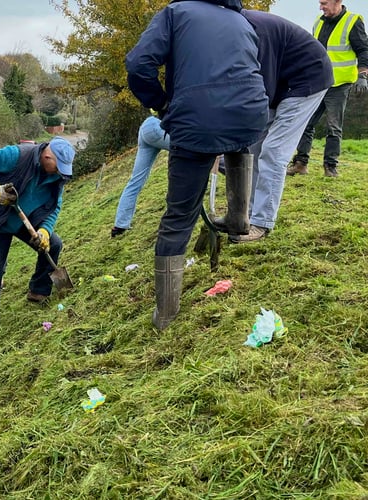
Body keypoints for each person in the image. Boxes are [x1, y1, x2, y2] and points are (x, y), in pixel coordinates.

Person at [125, 0, 268, 330]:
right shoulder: (241, 20)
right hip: (250, 113)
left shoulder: (176, 14)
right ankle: (239, 219)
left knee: (178, 216)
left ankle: (165, 314)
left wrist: (161, 103)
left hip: (197, 120)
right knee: (237, 137)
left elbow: (138, 65)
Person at [221, 10, 334, 242]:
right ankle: (245, 216)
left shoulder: (255, 31)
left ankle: (262, 223)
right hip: (283, 83)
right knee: (253, 149)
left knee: (273, 150)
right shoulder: (228, 31)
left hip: (308, 79)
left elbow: (263, 87)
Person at [0, 136, 75, 334]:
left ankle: (39, 291)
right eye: (58, 165)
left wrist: (44, 231)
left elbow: (54, 207)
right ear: (47, 155)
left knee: (53, 244)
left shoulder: (58, 177)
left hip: (24, 220)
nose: (60, 171)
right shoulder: (18, 154)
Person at [287, 0, 368, 178]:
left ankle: (330, 167)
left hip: (339, 84)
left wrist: (362, 75)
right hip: (318, 82)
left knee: (334, 127)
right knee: (305, 122)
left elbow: (363, 50)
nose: (321, 7)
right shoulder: (319, 21)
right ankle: (300, 163)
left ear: (338, 1)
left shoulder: (353, 21)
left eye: (324, 3)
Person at [111, 115, 170, 237]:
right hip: (159, 127)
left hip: (147, 126)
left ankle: (119, 226)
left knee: (135, 180)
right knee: (190, 149)